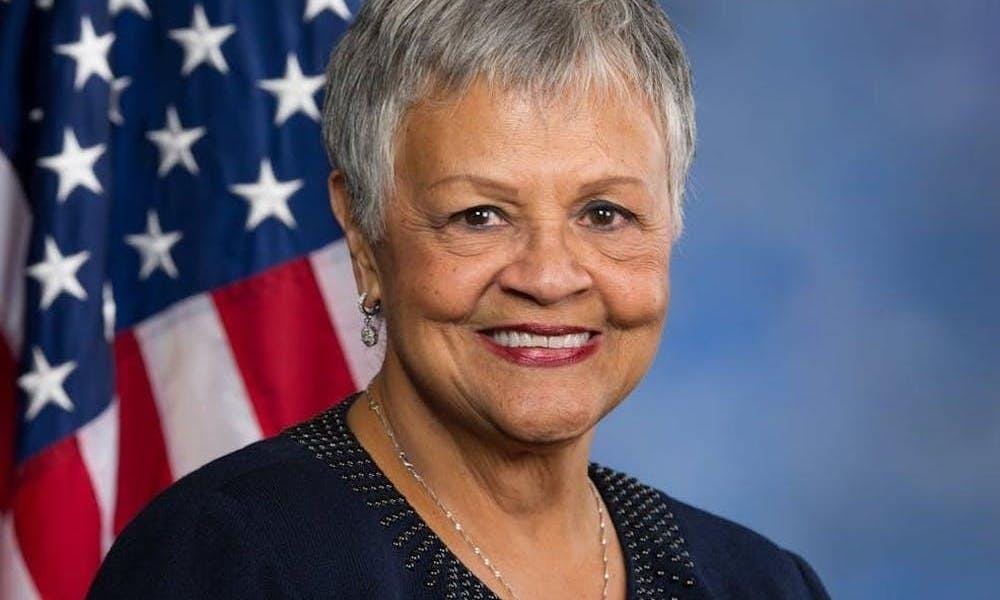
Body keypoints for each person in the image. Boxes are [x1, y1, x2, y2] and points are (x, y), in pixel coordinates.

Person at [89, 1, 830, 598]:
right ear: (362, 231)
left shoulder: (757, 580)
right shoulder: (228, 560)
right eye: (479, 216)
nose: (548, 277)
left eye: (604, 214)